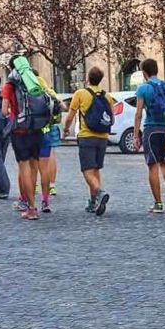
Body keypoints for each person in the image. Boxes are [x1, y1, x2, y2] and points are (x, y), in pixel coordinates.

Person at [64, 66, 116, 216]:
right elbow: (112, 119)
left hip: (87, 136)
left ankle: (99, 192)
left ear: (88, 78)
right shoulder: (107, 96)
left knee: (87, 170)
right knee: (96, 169)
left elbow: (70, 116)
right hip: (102, 138)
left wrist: (66, 129)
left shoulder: (80, 93)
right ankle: (94, 202)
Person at [2, 58, 48, 220]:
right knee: (34, 167)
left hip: (19, 130)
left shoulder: (10, 85)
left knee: (24, 168)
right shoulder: (34, 81)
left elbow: (4, 111)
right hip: (37, 128)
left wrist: (13, 113)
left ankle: (31, 208)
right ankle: (34, 204)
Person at [132, 58, 165, 213]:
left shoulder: (143, 88)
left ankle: (158, 203)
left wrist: (136, 135)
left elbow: (138, 114)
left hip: (151, 129)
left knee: (153, 166)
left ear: (144, 72)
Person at [33, 69, 65, 213]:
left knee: (32, 162)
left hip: (35, 128)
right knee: (50, 156)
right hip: (50, 126)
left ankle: (32, 189)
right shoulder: (47, 90)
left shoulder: (31, 90)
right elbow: (63, 106)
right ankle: (51, 187)